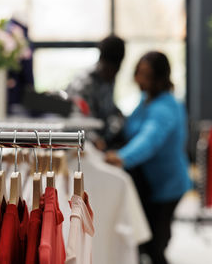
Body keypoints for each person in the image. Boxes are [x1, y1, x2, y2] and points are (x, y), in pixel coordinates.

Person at [105, 51, 192, 264]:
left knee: (155, 246)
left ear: (160, 78)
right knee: (146, 241)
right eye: (138, 73)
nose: (138, 79)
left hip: (168, 185)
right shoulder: (146, 100)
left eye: (145, 75)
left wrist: (121, 157)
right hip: (151, 183)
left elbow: (149, 140)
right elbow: (131, 128)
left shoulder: (166, 107)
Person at [66, 35, 126, 150]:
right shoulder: (84, 81)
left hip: (103, 140)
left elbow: (109, 110)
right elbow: (75, 118)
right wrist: (94, 138)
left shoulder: (110, 80)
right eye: (110, 69)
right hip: (82, 142)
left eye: (116, 70)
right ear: (101, 61)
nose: (113, 74)